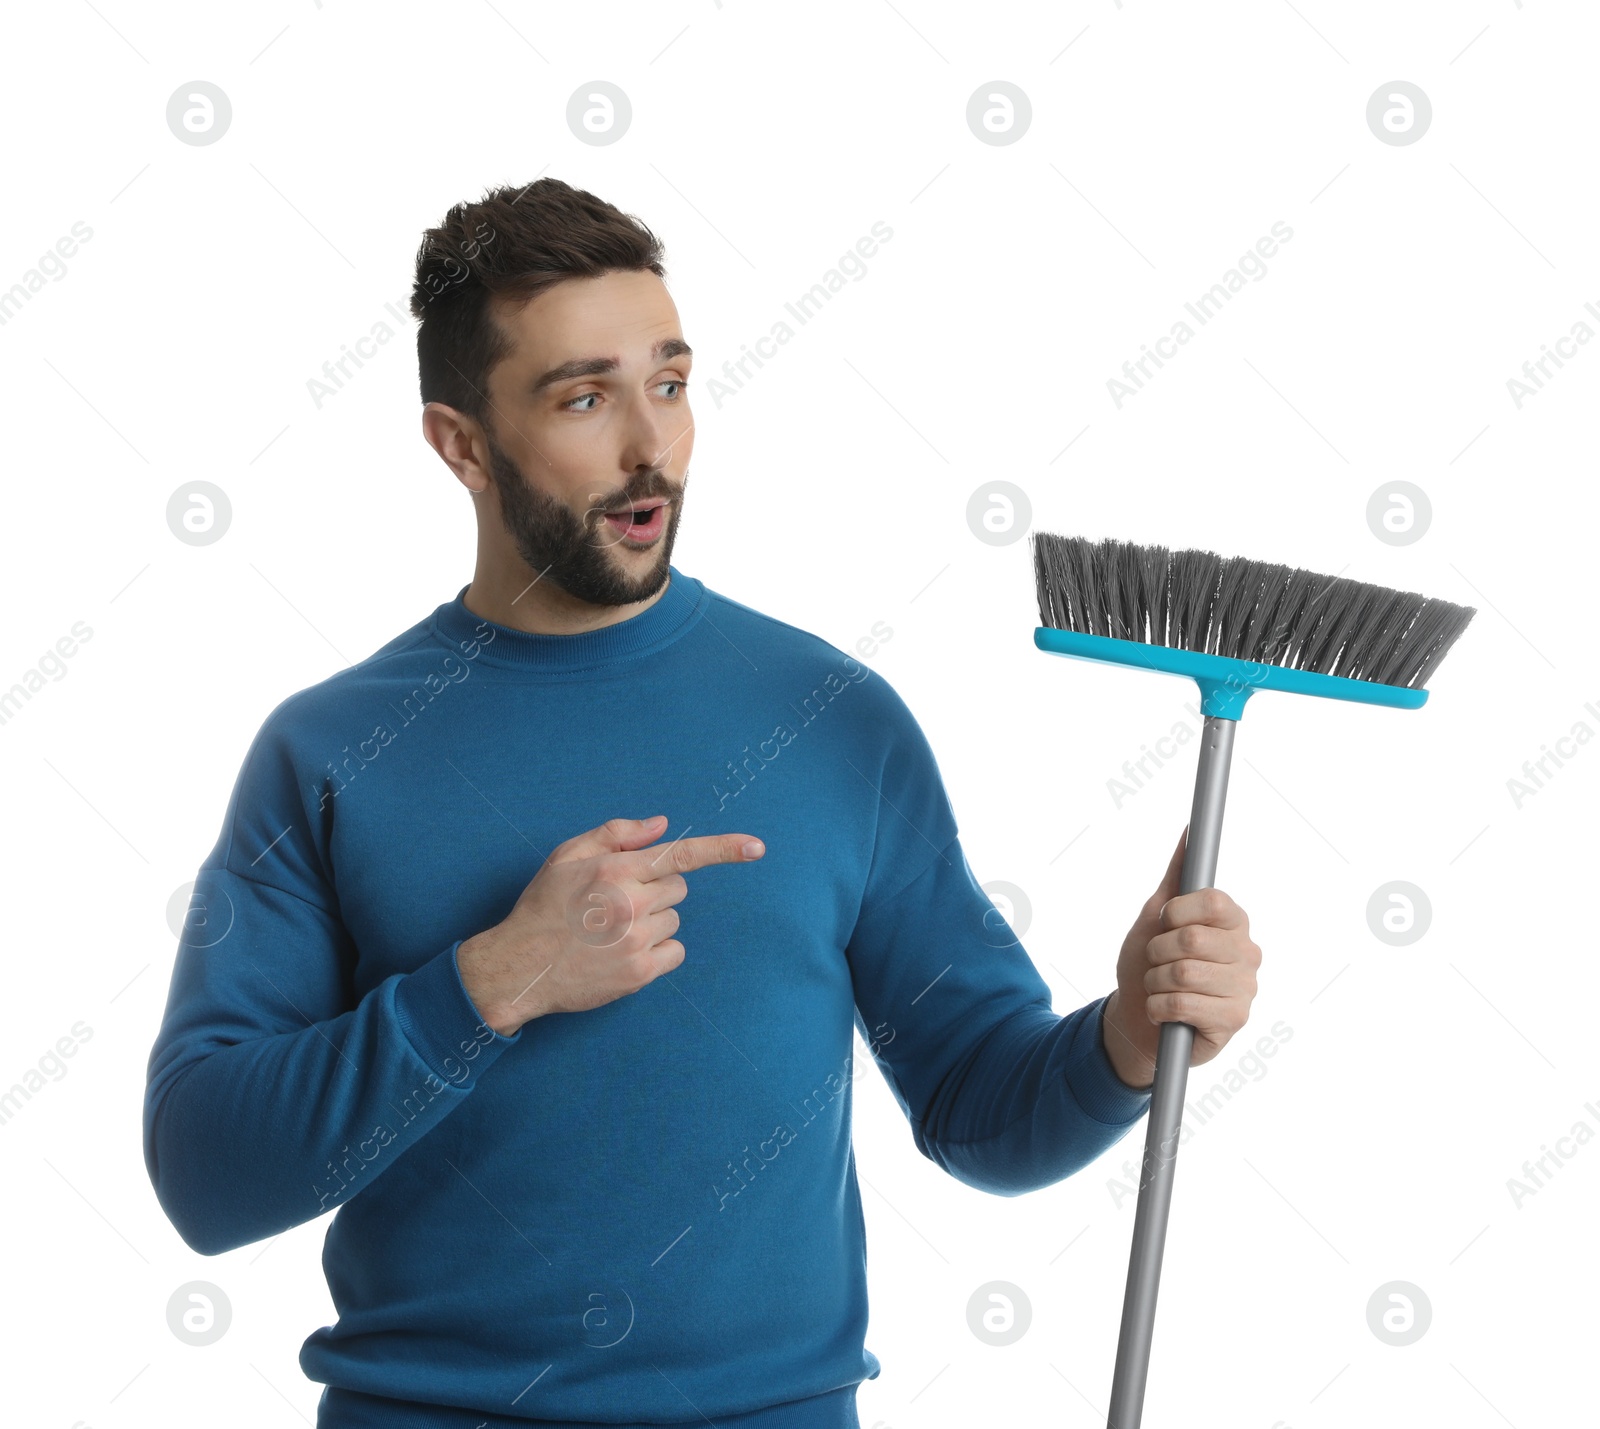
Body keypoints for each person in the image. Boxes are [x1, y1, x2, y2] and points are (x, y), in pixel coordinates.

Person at [142, 177, 1261, 1429]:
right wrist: (496, 979)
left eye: (669, 384)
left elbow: (979, 1113)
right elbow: (204, 1172)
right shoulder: (331, 749)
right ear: (460, 443)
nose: (649, 446)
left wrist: (1126, 1037)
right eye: (584, 397)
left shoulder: (836, 717)